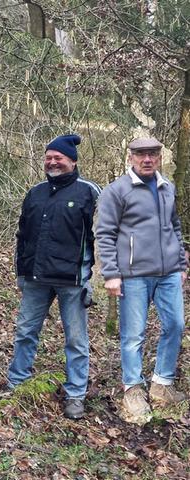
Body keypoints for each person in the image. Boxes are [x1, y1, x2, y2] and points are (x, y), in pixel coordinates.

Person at [6, 134, 100, 420]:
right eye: (48, 157)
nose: (52, 161)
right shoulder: (35, 192)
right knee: (25, 332)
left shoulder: (90, 192)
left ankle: (75, 395)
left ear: (72, 160)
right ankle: (16, 383)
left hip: (72, 280)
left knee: (75, 339)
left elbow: (102, 238)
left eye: (58, 157)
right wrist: (21, 271)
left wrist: (92, 278)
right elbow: (22, 234)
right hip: (36, 278)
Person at [96, 137, 188, 422]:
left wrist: (181, 261)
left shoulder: (166, 188)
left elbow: (174, 226)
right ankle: (133, 388)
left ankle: (162, 382)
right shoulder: (117, 191)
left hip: (169, 272)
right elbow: (105, 234)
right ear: (131, 157)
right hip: (133, 275)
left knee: (175, 325)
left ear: (159, 157)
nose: (147, 159)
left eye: (152, 154)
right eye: (141, 155)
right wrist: (111, 274)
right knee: (133, 334)